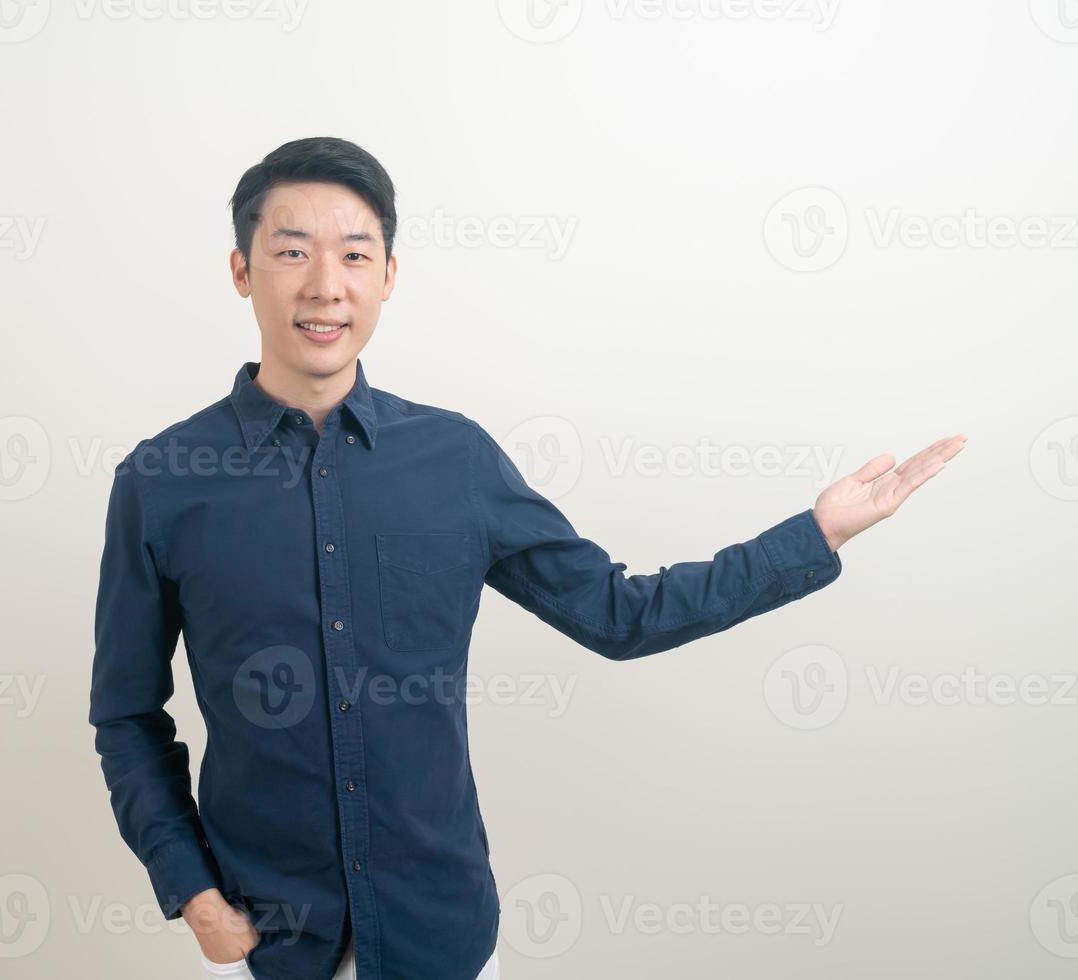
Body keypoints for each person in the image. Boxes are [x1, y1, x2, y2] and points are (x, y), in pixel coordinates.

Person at [88, 136, 967, 980]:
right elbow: (127, 716)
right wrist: (193, 895)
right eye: (291, 252)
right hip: (264, 950)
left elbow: (620, 615)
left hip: (444, 939)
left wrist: (814, 538)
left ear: (389, 278)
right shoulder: (163, 482)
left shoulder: (456, 460)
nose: (326, 286)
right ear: (242, 270)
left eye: (356, 256)